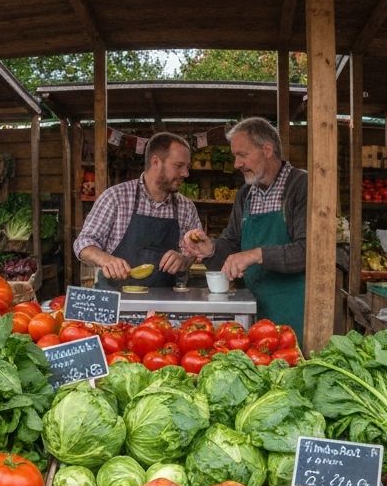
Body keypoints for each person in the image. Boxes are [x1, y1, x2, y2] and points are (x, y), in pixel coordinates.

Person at [180, 117, 307, 342]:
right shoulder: (246, 194)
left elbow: (309, 251)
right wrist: (209, 249)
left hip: (295, 312)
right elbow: (231, 243)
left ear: (267, 150)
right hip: (252, 310)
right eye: (235, 156)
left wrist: (256, 254)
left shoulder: (301, 186)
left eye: (242, 155)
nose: (237, 164)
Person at [73, 131, 202, 288]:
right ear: (155, 162)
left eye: (187, 167)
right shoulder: (116, 197)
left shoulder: (186, 208)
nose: (186, 173)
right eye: (179, 166)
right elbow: (83, 243)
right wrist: (105, 259)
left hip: (163, 304)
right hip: (115, 302)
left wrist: (183, 260)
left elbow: (195, 252)